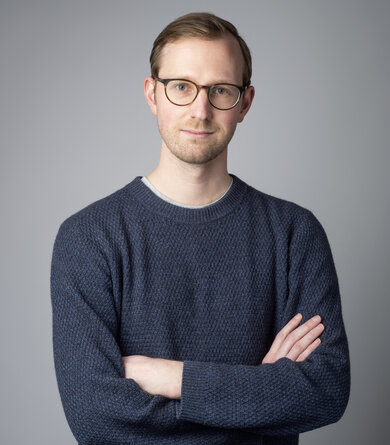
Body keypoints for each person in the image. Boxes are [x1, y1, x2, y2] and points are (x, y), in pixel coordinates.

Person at [50, 12, 350, 445]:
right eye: (182, 87)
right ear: (153, 93)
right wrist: (257, 393)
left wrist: (175, 378)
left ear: (245, 103)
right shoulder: (89, 238)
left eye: (221, 90)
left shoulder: (294, 234)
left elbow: (325, 392)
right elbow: (97, 422)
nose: (200, 109)